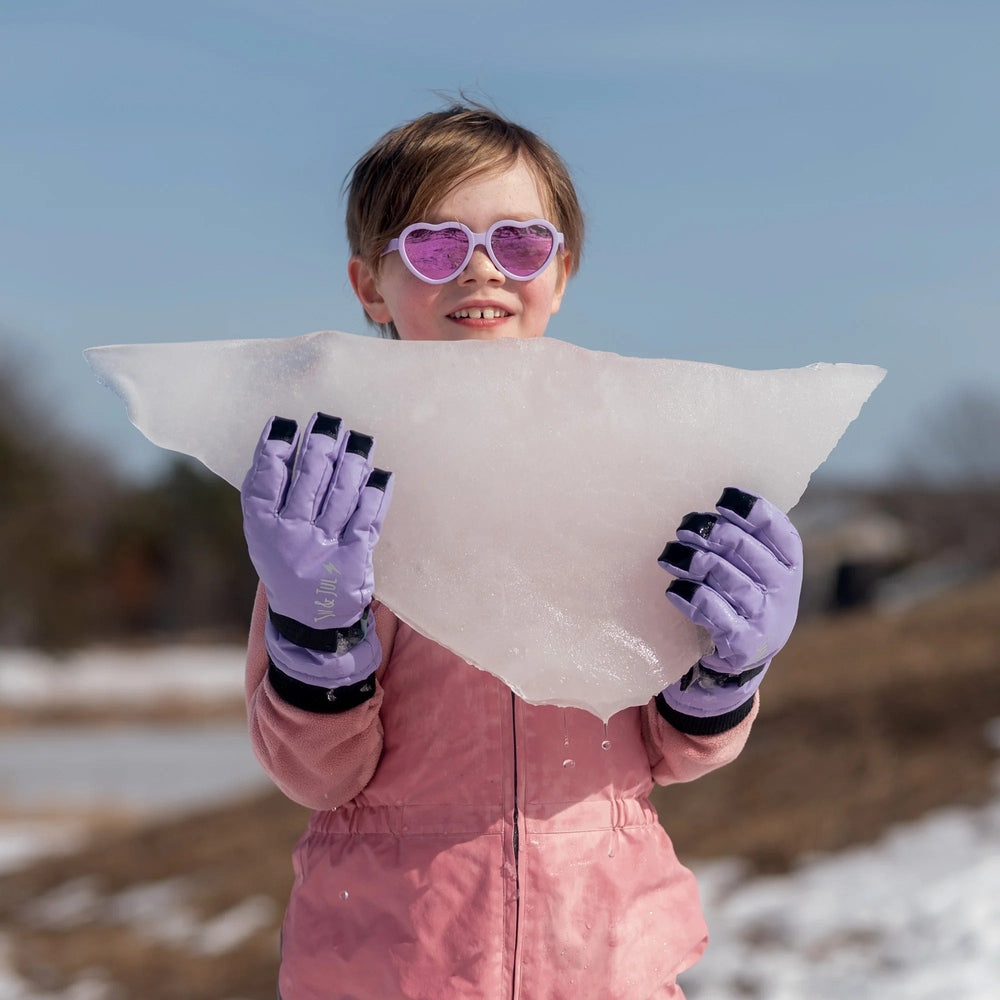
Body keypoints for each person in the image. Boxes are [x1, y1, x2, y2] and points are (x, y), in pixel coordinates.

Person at [240, 103, 803, 1000]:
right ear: (369, 285)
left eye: (521, 242)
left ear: (562, 269)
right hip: (392, 964)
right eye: (432, 245)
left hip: (607, 959)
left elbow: (669, 753)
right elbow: (318, 773)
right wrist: (319, 632)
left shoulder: (628, 477)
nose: (482, 268)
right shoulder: (345, 494)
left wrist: (728, 669)